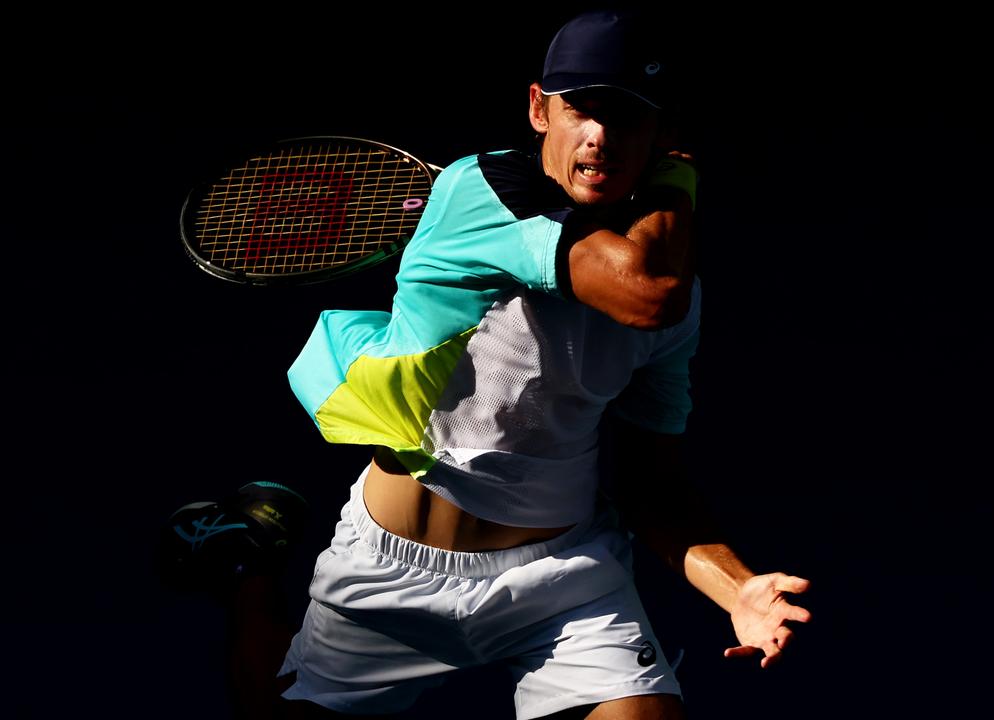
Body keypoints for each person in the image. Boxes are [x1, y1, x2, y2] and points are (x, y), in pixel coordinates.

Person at [170, 10, 811, 719]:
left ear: (663, 131)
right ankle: (252, 560)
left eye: (627, 118)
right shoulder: (481, 190)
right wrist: (677, 182)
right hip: (393, 573)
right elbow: (644, 290)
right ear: (540, 109)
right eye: (582, 111)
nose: (599, 138)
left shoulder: (678, 293)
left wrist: (737, 588)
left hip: (564, 576)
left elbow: (647, 477)